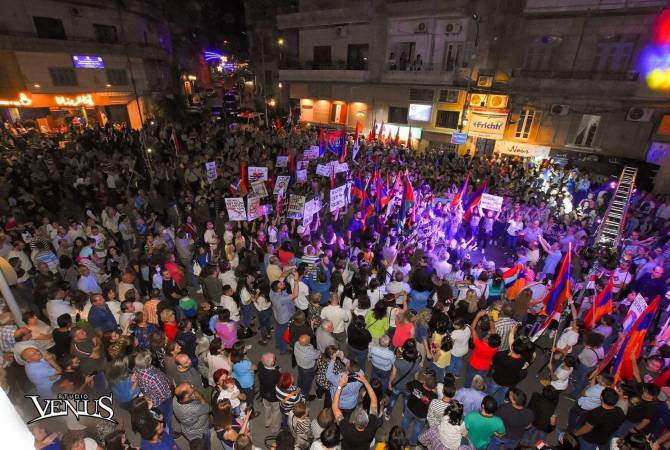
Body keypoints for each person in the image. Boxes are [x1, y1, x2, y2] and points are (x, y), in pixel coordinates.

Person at [333, 372, 381, 450]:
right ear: (367, 422)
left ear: (354, 421)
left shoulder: (346, 428)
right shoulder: (372, 427)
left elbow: (335, 408)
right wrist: (365, 382)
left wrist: (340, 386)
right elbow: (374, 403)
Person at [402, 370, 438, 446]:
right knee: (417, 429)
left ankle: (401, 436)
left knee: (405, 421)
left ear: (424, 381)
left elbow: (407, 386)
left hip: (410, 408)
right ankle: (412, 442)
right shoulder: (434, 396)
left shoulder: (415, 384)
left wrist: (418, 381)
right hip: (421, 415)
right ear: (433, 387)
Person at [465, 310, 500, 388]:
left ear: (488, 341)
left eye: (488, 337)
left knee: (468, 380)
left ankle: (466, 389)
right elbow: (493, 330)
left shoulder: (479, 344)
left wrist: (478, 316)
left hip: (473, 365)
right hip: (484, 368)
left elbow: (472, 328)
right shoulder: (495, 346)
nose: (487, 335)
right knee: (478, 383)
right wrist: (490, 317)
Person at [258, 352, 282, 434]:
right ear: (273, 362)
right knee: (276, 412)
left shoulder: (260, 366)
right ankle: (274, 428)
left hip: (264, 394)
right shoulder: (276, 374)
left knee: (267, 408)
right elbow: (280, 384)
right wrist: (278, 371)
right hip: (274, 397)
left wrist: (275, 369)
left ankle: (267, 422)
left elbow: (267, 367)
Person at [294, 334, 321, 400]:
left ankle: (299, 389)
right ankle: (305, 396)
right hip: (308, 369)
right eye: (309, 340)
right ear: (307, 343)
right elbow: (317, 355)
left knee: (301, 377)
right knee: (307, 383)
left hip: (300, 365)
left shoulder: (296, 344)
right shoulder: (309, 352)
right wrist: (320, 351)